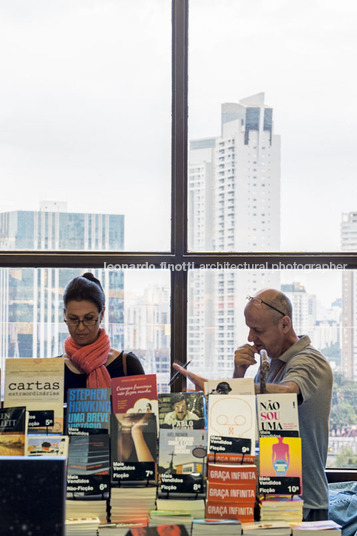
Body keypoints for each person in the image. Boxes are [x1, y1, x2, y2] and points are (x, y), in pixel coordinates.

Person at [173, 289, 333, 521]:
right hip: (271, 495)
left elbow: (287, 394)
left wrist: (216, 387)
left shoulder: (309, 360)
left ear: (285, 324)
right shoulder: (271, 362)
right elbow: (242, 415)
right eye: (249, 328)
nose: (250, 337)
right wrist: (238, 374)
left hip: (304, 501)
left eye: (258, 330)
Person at [62, 272, 144, 398]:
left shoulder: (127, 364)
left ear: (102, 314)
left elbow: (145, 415)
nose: (81, 327)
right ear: (65, 314)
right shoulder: (54, 369)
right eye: (73, 319)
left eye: (89, 318)